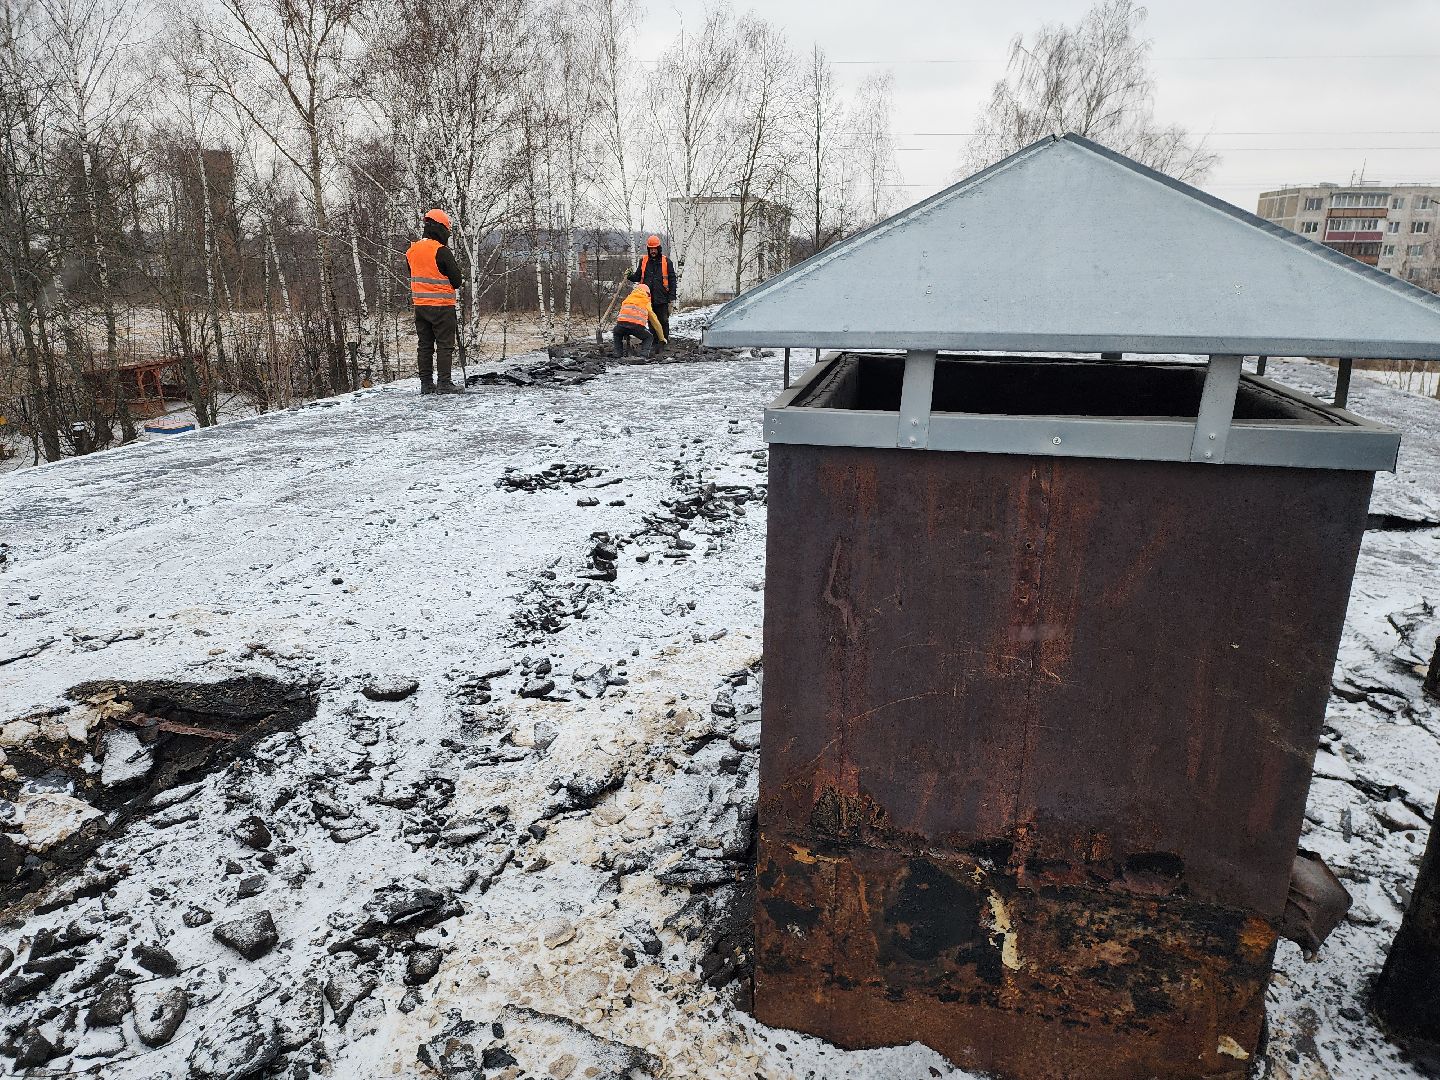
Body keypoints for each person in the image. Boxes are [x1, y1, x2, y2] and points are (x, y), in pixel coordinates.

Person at [405, 209, 465, 394]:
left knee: (424, 345)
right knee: (444, 345)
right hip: (442, 307)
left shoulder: (411, 251)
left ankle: (426, 384)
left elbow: (414, 274)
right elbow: (456, 281)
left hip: (420, 307)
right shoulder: (441, 251)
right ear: (441, 229)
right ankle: (444, 383)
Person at [627, 235, 677, 348]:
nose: (653, 251)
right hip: (646, 298)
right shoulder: (643, 261)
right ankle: (654, 342)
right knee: (650, 321)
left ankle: (664, 341)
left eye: (655, 249)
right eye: (651, 249)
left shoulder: (666, 262)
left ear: (659, 249)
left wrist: (671, 297)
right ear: (648, 249)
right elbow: (637, 277)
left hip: (662, 297)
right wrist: (629, 276)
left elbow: (672, 279)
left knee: (663, 320)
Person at [612, 282, 667, 358]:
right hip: (636, 327)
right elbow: (655, 321)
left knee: (617, 334)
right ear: (647, 293)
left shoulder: (627, 299)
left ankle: (618, 354)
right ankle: (643, 356)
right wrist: (661, 338)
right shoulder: (645, 301)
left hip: (621, 325)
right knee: (649, 337)